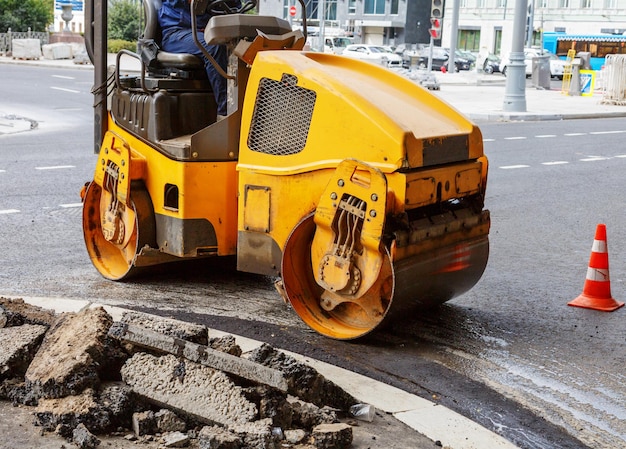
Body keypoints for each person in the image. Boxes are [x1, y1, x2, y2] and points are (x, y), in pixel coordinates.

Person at [158, 0, 239, 117]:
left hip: (208, 31)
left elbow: (235, 5)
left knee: (246, 44)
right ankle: (226, 114)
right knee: (213, 46)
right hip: (177, 33)